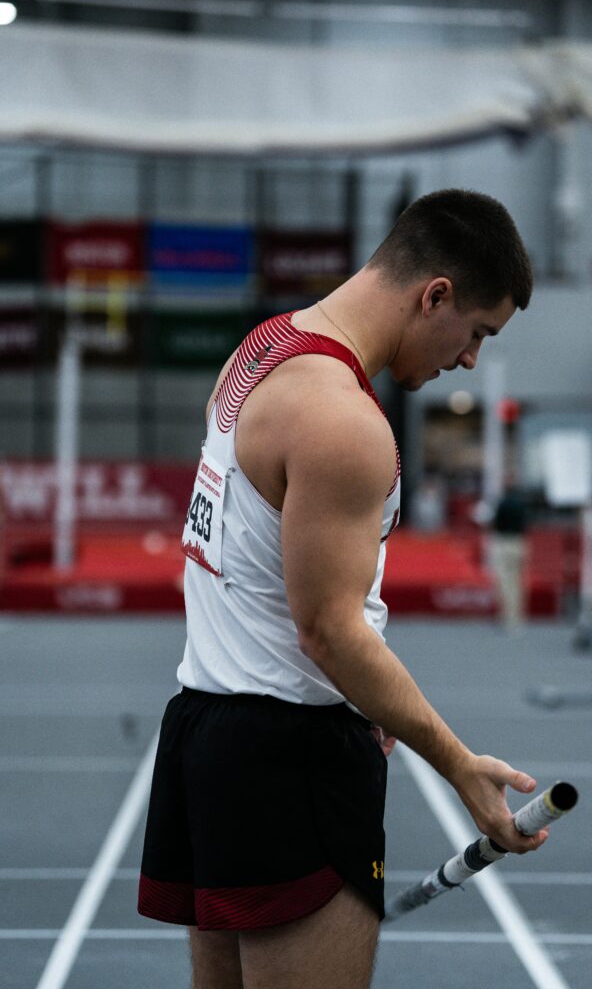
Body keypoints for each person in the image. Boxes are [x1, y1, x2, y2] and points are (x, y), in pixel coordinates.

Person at [138, 189, 549, 989]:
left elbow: (250, 562)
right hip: (286, 757)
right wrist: (458, 763)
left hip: (205, 734)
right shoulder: (342, 421)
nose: (468, 360)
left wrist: (366, 697)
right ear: (434, 294)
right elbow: (327, 630)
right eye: (475, 333)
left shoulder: (260, 349)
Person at [490, 478, 529, 631]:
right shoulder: (522, 505)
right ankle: (518, 616)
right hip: (519, 543)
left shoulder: (502, 504)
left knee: (505, 582)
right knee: (517, 581)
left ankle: (508, 616)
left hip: (504, 542)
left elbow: (497, 524)